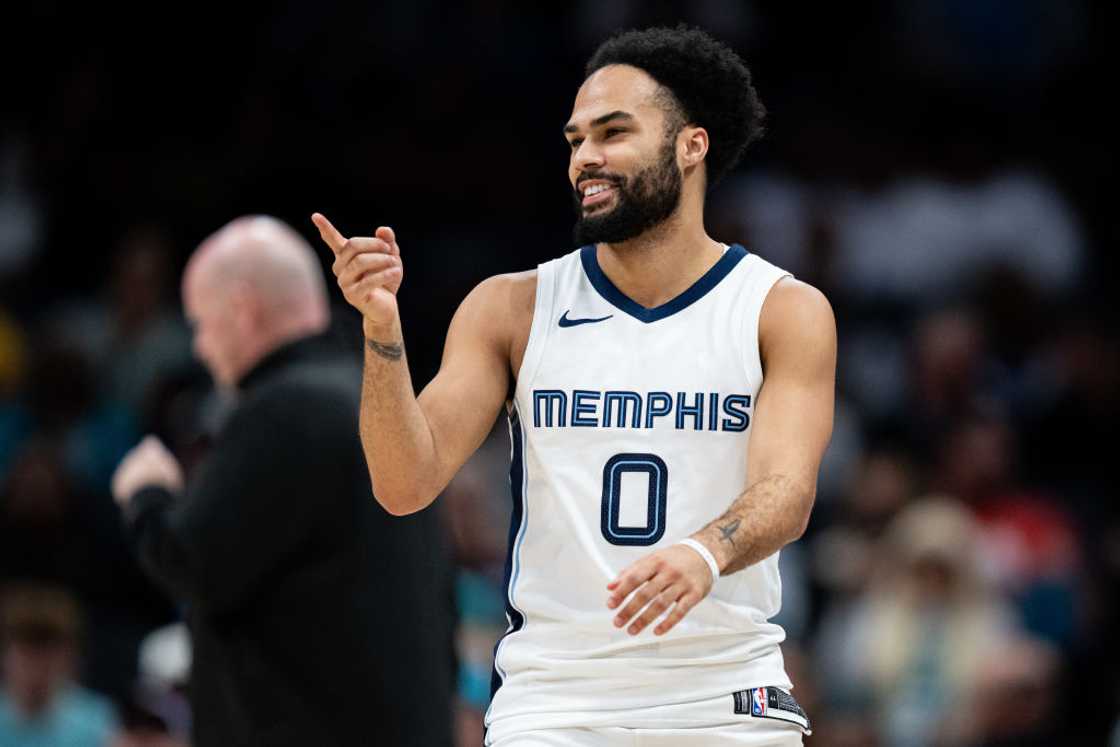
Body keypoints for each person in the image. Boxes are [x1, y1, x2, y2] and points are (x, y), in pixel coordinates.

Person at [314, 25, 835, 747]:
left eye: (613, 133)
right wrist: (381, 329)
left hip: (723, 687)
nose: (585, 157)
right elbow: (403, 482)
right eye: (574, 140)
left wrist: (704, 550)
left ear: (693, 145)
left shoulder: (779, 308)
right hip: (555, 699)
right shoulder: (511, 307)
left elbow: (788, 490)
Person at [110, 216, 454, 747]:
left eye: (200, 322)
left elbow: (194, 565)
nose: (199, 346)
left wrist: (147, 494)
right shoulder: (375, 400)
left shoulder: (285, 409)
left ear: (242, 309)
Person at [0, 584, 118, 747]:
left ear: (71, 658)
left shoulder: (101, 722)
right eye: (27, 654)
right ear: (6, 655)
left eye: (48, 655)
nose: (37, 667)